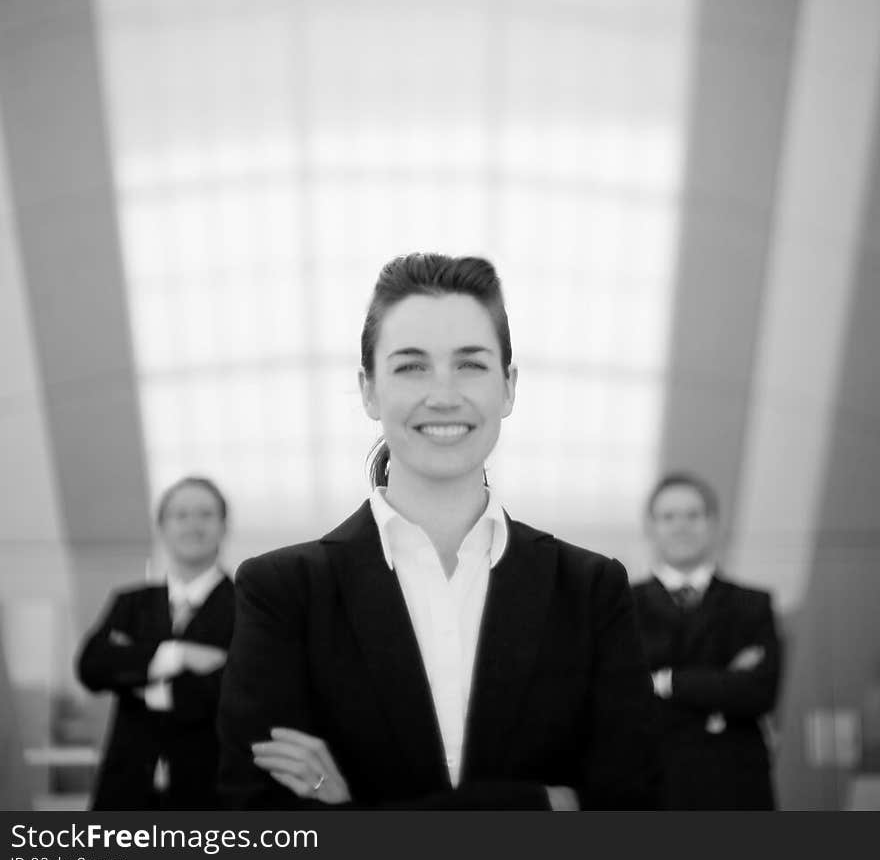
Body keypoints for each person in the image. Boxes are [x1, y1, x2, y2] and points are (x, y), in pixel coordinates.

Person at [217, 252, 661, 810]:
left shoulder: (590, 590)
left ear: (508, 386)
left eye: (470, 364)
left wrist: (351, 806)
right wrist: (546, 803)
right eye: (411, 366)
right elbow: (258, 823)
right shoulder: (283, 592)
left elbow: (630, 805)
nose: (444, 394)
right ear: (370, 390)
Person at [76, 475, 235, 809]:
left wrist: (140, 675)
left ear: (223, 526)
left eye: (205, 514)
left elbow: (239, 690)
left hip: (209, 796)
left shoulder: (249, 605)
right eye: (180, 515)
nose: (193, 525)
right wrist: (175, 655)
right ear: (162, 528)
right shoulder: (130, 603)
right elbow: (92, 667)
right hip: (125, 792)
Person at [630, 471, 783, 810]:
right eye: (668, 516)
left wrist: (667, 681)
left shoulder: (753, 604)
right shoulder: (620, 604)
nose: (681, 526)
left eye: (693, 515)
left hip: (735, 785)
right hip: (650, 783)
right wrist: (724, 681)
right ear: (650, 527)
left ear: (714, 524)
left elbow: (760, 692)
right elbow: (622, 695)